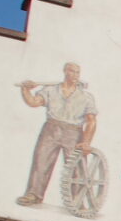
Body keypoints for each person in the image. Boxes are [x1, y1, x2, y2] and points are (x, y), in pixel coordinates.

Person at [16, 63, 97, 206]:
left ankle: (77, 201)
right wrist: (25, 90)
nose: (75, 75)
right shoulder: (50, 90)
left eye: (77, 72)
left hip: (74, 132)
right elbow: (34, 102)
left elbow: (92, 121)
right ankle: (33, 194)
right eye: (72, 71)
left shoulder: (86, 97)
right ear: (65, 71)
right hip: (51, 129)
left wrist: (86, 142)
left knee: (76, 168)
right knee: (41, 162)